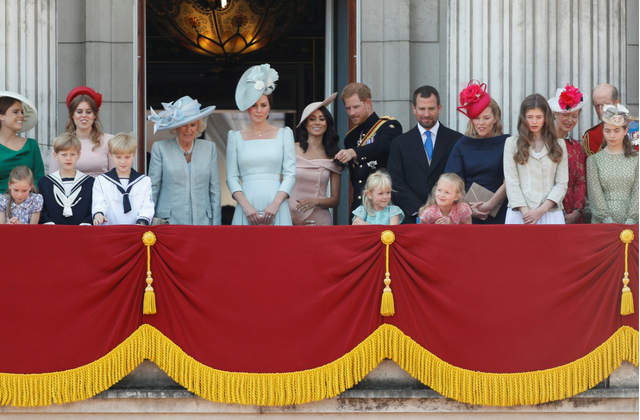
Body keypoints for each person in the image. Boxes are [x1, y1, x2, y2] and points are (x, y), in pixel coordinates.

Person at [227, 64, 296, 225]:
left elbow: (290, 174)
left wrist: (275, 205)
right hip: (246, 206)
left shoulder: (284, 134)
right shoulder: (235, 137)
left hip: (277, 205)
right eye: (253, 105)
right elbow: (231, 177)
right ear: (247, 108)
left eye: (263, 105)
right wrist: (245, 206)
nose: (258, 110)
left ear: (269, 107)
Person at [387, 86, 463, 223]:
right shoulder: (400, 143)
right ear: (414, 109)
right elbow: (395, 182)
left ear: (439, 108)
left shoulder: (457, 140)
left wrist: (444, 209)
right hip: (412, 217)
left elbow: (460, 178)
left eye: (431, 108)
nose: (426, 114)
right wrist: (422, 209)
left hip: (449, 219)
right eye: (422, 109)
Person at [147, 96, 221, 225]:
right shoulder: (160, 148)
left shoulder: (209, 149)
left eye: (193, 125)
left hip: (203, 223)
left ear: (198, 126)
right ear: (176, 127)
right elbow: (153, 188)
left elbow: (214, 190)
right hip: (169, 223)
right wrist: (149, 221)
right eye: (184, 125)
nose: (189, 130)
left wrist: (216, 226)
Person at [445, 81, 509, 224]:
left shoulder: (507, 143)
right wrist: (467, 208)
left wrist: (490, 204)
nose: (481, 123)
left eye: (486, 118)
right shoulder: (462, 145)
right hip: (467, 214)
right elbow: (451, 182)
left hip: (501, 213)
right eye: (476, 118)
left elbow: (510, 180)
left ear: (495, 118)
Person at [335, 83, 402, 211]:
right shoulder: (351, 137)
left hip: (384, 207)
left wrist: (354, 152)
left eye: (356, 107)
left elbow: (383, 146)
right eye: (348, 108)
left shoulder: (389, 127)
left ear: (368, 103)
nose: (351, 113)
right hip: (360, 207)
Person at [503, 94, 568, 224]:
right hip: (520, 213)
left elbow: (562, 183)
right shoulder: (511, 143)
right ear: (523, 117)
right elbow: (511, 182)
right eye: (529, 117)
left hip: (550, 212)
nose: (534, 122)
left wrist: (541, 210)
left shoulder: (559, 144)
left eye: (538, 117)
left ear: (546, 118)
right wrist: (525, 212)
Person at [289, 93, 344, 225]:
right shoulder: (291, 149)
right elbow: (279, 189)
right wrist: (292, 219)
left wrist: (315, 201)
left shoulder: (334, 155)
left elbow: (335, 200)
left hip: (320, 219)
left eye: (322, 119)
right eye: (312, 119)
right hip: (290, 217)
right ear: (305, 124)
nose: (317, 123)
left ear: (327, 123)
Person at [587, 104, 638, 224]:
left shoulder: (637, 159)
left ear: (625, 130)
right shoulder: (594, 160)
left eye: (617, 130)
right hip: (602, 224)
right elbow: (595, 196)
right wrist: (608, 222)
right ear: (603, 131)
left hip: (634, 223)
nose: (612, 135)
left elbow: (638, 193)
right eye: (607, 130)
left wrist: (631, 221)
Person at [50, 86, 114, 177]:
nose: (84, 116)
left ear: (94, 115)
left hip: (101, 190)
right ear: (72, 115)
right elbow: (53, 176)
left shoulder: (109, 140)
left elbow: (115, 175)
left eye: (88, 112)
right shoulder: (60, 142)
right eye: (79, 112)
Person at [92, 133, 154, 225]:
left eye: (127, 157)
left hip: (136, 231)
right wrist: (98, 214)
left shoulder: (144, 181)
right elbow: (99, 203)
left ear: (134, 155)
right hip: (110, 231)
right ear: (111, 155)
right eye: (118, 157)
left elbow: (147, 206)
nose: (123, 161)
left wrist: (142, 221)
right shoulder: (101, 181)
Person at [547, 84, 588, 224]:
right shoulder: (543, 143)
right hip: (547, 210)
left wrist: (577, 211)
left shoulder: (577, 147)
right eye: (566, 115)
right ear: (555, 114)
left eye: (574, 116)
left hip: (572, 212)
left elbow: (580, 182)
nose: (570, 120)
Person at [38, 133, 94, 225]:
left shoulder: (89, 182)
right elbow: (41, 209)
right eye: (64, 154)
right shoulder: (45, 183)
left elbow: (93, 208)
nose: (68, 158)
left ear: (78, 155)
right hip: (53, 233)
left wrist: (86, 224)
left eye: (72, 154)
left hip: (82, 233)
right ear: (56, 156)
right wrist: (49, 224)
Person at [0, 91, 44, 192]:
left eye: (22, 112)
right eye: (15, 112)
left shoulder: (32, 145)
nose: (21, 116)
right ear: (1, 116)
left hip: (28, 203)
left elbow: (39, 179)